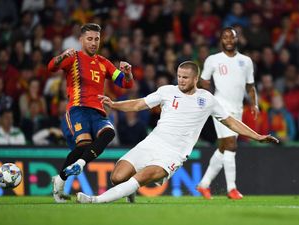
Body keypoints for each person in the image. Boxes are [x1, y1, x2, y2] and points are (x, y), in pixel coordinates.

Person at [75, 61, 278, 204]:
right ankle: (129, 193)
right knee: (117, 178)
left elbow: (231, 122)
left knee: (142, 177)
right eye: (179, 76)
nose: (180, 80)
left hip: (173, 153)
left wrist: (257, 136)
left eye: (185, 77)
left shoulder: (207, 99)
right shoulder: (166, 91)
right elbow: (139, 104)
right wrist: (115, 105)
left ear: (196, 78)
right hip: (152, 142)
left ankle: (95, 200)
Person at [47, 23, 134, 203]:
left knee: (109, 133)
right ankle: (61, 181)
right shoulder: (73, 58)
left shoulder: (104, 62)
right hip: (78, 109)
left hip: (98, 111)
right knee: (83, 147)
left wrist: (128, 73)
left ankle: (75, 167)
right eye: (90, 39)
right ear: (81, 40)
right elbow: (51, 67)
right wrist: (62, 56)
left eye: (97, 39)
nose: (94, 43)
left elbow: (126, 84)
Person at [196, 27, 259, 200]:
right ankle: (232, 189)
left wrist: (254, 104)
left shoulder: (246, 61)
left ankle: (203, 184)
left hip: (237, 109)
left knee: (224, 148)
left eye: (231, 37)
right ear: (221, 40)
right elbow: (204, 82)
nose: (228, 40)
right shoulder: (213, 60)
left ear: (237, 39)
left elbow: (250, 85)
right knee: (231, 144)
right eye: (225, 37)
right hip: (220, 107)